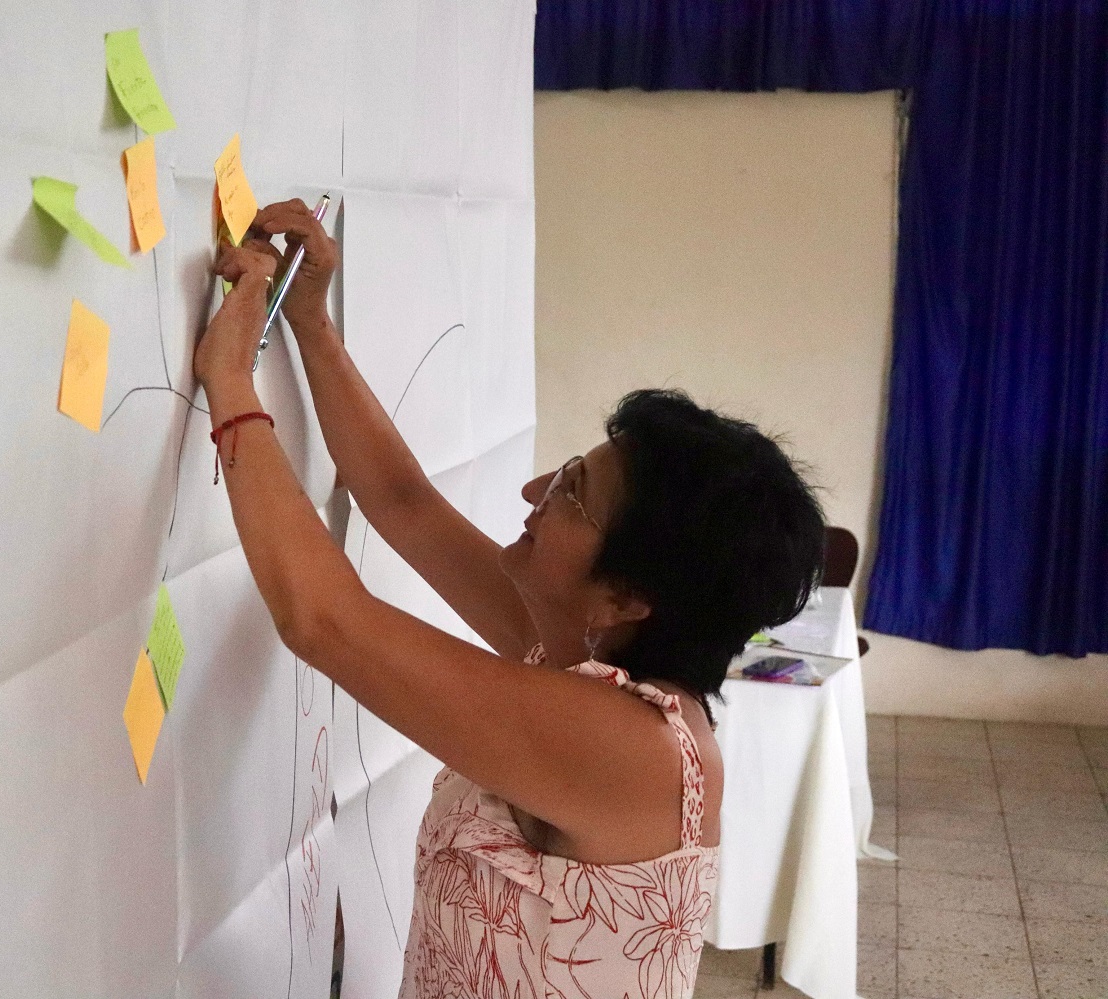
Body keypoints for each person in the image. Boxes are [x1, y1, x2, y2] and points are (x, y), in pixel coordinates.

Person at [193, 199, 826, 999]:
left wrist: (231, 381)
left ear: (627, 596)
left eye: (572, 493)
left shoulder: (631, 749)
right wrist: (311, 322)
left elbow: (324, 620)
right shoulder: (574, 647)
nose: (534, 490)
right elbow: (403, 502)